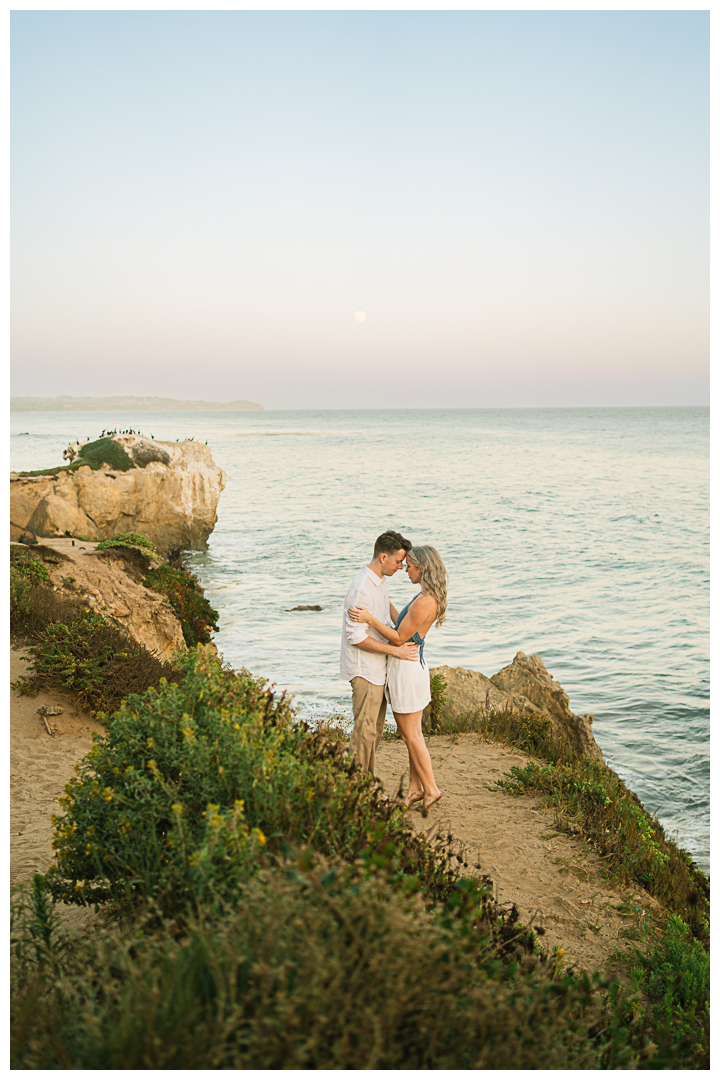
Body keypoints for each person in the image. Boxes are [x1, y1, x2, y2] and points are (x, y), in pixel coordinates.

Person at [349, 544, 447, 811]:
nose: (405, 570)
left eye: (410, 566)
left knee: (410, 735)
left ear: (422, 568)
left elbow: (398, 637)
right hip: (412, 665)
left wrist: (368, 617)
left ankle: (432, 789)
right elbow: (401, 622)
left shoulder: (425, 601)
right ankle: (416, 789)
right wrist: (381, 598)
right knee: (412, 734)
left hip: (406, 668)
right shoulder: (425, 596)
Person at [340, 530, 419, 779]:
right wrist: (395, 650)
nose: (400, 567)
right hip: (365, 670)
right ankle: (358, 788)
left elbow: (385, 615)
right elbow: (357, 637)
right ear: (383, 557)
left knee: (373, 732)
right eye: (398, 562)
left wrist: (413, 627)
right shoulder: (362, 589)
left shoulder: (378, 582)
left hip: (378, 669)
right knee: (364, 732)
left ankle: (364, 784)